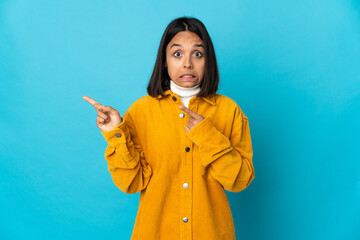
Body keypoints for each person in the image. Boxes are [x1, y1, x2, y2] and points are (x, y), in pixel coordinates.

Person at [83, 17, 255, 240]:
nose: (187, 64)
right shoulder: (141, 111)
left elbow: (239, 181)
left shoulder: (229, 111)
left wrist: (207, 135)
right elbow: (132, 183)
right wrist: (116, 134)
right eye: (177, 54)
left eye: (197, 54)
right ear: (164, 60)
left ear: (207, 60)